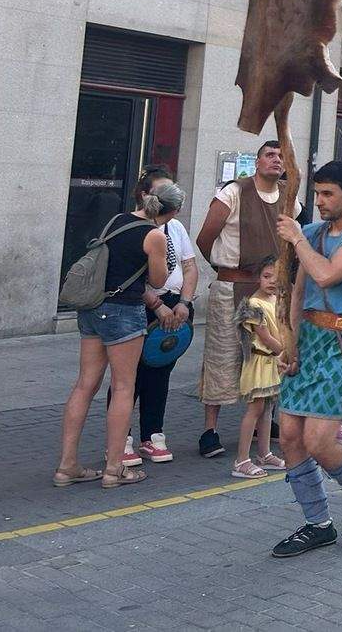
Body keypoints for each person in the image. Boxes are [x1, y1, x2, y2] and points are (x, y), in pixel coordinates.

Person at [267, 159, 342, 557]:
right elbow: (299, 291)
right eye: (316, 193)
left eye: (327, 194)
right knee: (289, 435)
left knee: (319, 441)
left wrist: (297, 240)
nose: (319, 202)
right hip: (308, 337)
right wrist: (289, 341)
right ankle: (316, 523)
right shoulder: (313, 232)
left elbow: (326, 275)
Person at [55, 182, 178, 490]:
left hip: (93, 307)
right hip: (124, 311)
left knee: (85, 384)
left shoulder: (117, 220)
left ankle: (67, 465)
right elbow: (159, 279)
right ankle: (114, 469)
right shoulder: (154, 235)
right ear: (173, 212)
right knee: (124, 387)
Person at [195, 141, 299, 458]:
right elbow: (205, 236)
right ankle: (209, 431)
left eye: (282, 156)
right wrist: (223, 268)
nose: (276, 160)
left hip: (272, 292)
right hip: (232, 287)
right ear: (256, 162)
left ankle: (261, 424)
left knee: (267, 356)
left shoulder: (288, 198)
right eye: (270, 154)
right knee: (222, 356)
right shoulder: (234, 192)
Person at [130, 168, 199, 464]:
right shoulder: (136, 226)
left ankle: (153, 434)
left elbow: (190, 266)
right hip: (144, 304)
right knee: (129, 375)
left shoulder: (177, 229)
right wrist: (157, 305)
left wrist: (183, 303)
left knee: (160, 371)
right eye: (161, 192)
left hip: (175, 304)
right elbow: (131, 277)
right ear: (145, 196)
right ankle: (121, 438)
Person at [231, 257, 286, 478]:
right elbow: (263, 336)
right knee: (255, 410)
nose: (272, 281)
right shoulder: (253, 305)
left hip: (272, 362)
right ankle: (241, 460)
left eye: (276, 277)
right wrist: (283, 351)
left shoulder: (276, 299)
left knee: (267, 410)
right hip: (260, 362)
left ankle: (264, 453)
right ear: (258, 278)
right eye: (266, 276)